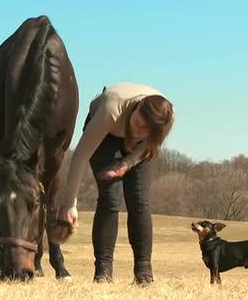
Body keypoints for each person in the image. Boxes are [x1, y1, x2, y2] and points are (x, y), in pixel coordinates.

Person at [55, 83, 174, 284]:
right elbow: (81, 156)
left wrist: (128, 163)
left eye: (146, 129)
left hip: (137, 150)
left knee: (140, 201)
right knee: (111, 199)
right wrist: (70, 204)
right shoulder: (112, 110)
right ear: (136, 109)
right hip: (106, 136)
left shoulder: (166, 120)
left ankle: (144, 273)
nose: (139, 130)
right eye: (138, 124)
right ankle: (103, 272)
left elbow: (149, 145)